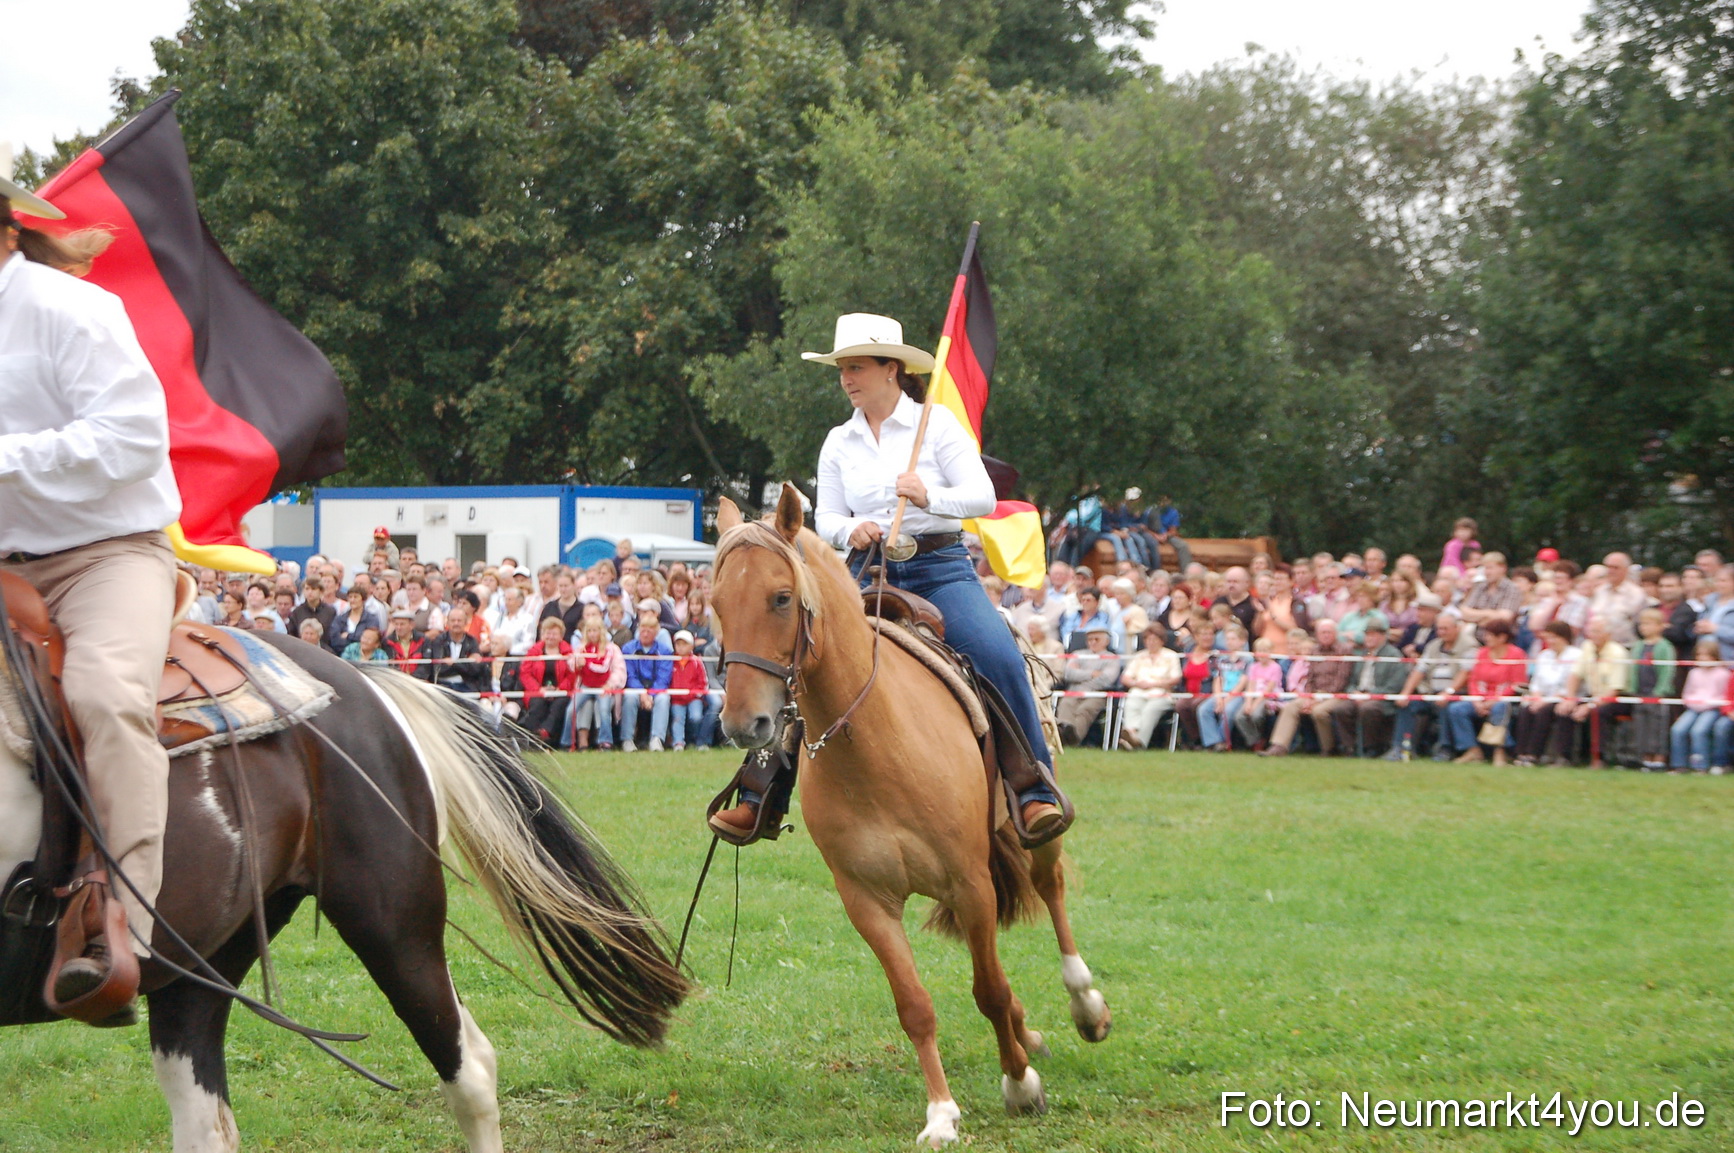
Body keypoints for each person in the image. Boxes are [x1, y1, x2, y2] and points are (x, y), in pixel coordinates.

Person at [731, 311, 1063, 841]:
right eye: (842, 368)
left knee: (996, 653)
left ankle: (1033, 791)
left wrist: (930, 496)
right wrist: (850, 531)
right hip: (865, 568)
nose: (846, 378)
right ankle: (759, 793)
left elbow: (981, 496)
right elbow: (828, 518)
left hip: (939, 567)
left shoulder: (937, 426)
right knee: (799, 653)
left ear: (891, 369)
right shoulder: (839, 440)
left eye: (857, 367)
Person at [0, 179, 187, 1019]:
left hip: (106, 555)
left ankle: (127, 929)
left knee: (107, 698)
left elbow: (134, 437)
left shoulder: (69, 308)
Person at [1445, 618, 1525, 765]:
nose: (1485, 638)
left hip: (1503, 701)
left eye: (1489, 635)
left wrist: (1495, 700)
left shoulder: (1516, 654)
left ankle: (1500, 752)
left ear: (1502, 637)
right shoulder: (1481, 653)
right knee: (1456, 709)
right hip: (1481, 699)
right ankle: (1472, 750)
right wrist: (1476, 700)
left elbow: (1517, 684)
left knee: (1500, 708)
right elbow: (1473, 680)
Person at [1513, 621, 1579, 766]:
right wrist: (1537, 697)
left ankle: (1534, 753)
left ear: (1564, 637)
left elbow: (1570, 685)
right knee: (1525, 710)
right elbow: (1536, 682)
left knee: (1544, 711)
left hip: (1563, 697)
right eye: (1548, 638)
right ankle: (1521, 753)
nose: (1550, 641)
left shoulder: (1575, 655)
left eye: (1554, 637)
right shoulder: (1544, 656)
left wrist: (1546, 701)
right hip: (1542, 697)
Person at [1344, 619, 1406, 757]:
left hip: (1381, 699)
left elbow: (1394, 685)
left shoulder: (1393, 655)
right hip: (1359, 694)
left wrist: (1370, 695)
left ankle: (1370, 748)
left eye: (1373, 635)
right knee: (1341, 709)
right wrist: (1353, 691)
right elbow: (1350, 680)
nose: (1369, 638)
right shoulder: (1362, 654)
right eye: (1367, 634)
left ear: (1383, 636)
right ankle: (1349, 747)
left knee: (1368, 709)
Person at [1669, 638, 1731, 773]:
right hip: (1693, 708)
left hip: (1712, 709)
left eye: (1706, 655)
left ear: (1715, 656)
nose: (1702, 658)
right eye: (1699, 655)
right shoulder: (1694, 672)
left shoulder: (1723, 674)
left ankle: (1700, 765)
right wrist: (1692, 702)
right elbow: (1687, 692)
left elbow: (1723, 695)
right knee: (1678, 730)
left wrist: (1707, 703)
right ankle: (1679, 765)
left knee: (1699, 731)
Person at [1118, 623, 1181, 749]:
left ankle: (1139, 743)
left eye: (1154, 639)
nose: (1151, 642)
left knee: (1150, 710)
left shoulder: (1171, 656)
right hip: (1139, 690)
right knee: (1131, 702)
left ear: (1161, 641)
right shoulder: (1138, 656)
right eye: (1148, 639)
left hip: (1161, 693)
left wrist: (1154, 684)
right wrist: (1136, 683)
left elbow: (1176, 678)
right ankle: (1131, 735)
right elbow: (1125, 678)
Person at [565, 618, 625, 750]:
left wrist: (610, 685)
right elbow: (571, 665)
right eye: (589, 631)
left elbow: (618, 670)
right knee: (570, 710)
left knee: (604, 710)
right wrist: (576, 664)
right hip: (585, 686)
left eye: (595, 630)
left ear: (601, 632)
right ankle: (567, 742)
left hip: (604, 685)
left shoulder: (612, 649)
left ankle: (606, 741)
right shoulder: (581, 649)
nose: (592, 634)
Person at [619, 612, 673, 751]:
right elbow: (629, 676)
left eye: (650, 630)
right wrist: (642, 693)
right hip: (636, 688)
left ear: (656, 632)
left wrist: (651, 695)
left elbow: (664, 678)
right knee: (630, 697)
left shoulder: (665, 651)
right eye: (643, 629)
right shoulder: (628, 649)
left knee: (663, 699)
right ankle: (627, 740)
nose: (646, 633)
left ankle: (656, 740)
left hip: (655, 689)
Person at [519, 616, 577, 745]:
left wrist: (559, 689)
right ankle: (530, 736)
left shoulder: (568, 652)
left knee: (559, 704)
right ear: (542, 634)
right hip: (537, 690)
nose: (550, 637)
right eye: (547, 633)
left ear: (561, 636)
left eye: (554, 634)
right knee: (537, 704)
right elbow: (525, 673)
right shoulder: (534, 651)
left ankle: (545, 732)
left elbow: (572, 675)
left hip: (561, 691)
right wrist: (538, 690)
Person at [667, 629, 714, 750]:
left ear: (691, 646)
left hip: (694, 698)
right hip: (677, 699)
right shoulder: (671, 661)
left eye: (684, 644)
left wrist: (696, 694)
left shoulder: (697, 662)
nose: (681, 647)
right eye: (678, 644)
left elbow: (703, 681)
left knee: (696, 717)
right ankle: (678, 743)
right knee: (678, 720)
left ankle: (696, 740)